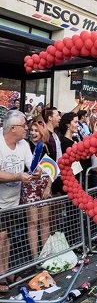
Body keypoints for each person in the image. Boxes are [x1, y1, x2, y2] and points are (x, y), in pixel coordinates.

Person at [0, 111, 39, 292]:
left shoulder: (23, 144)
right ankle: (1, 275)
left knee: (6, 237)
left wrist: (36, 171)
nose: (27, 129)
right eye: (24, 126)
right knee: (1, 237)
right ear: (13, 128)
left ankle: (6, 271)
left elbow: (31, 164)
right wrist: (18, 176)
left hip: (13, 200)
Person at [22, 118, 52, 260]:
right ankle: (34, 257)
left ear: (42, 132)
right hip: (30, 187)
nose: (33, 133)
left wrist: (48, 188)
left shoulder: (47, 147)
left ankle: (45, 254)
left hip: (45, 186)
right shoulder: (25, 146)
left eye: (36, 130)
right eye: (31, 130)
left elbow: (53, 170)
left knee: (45, 221)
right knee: (33, 222)